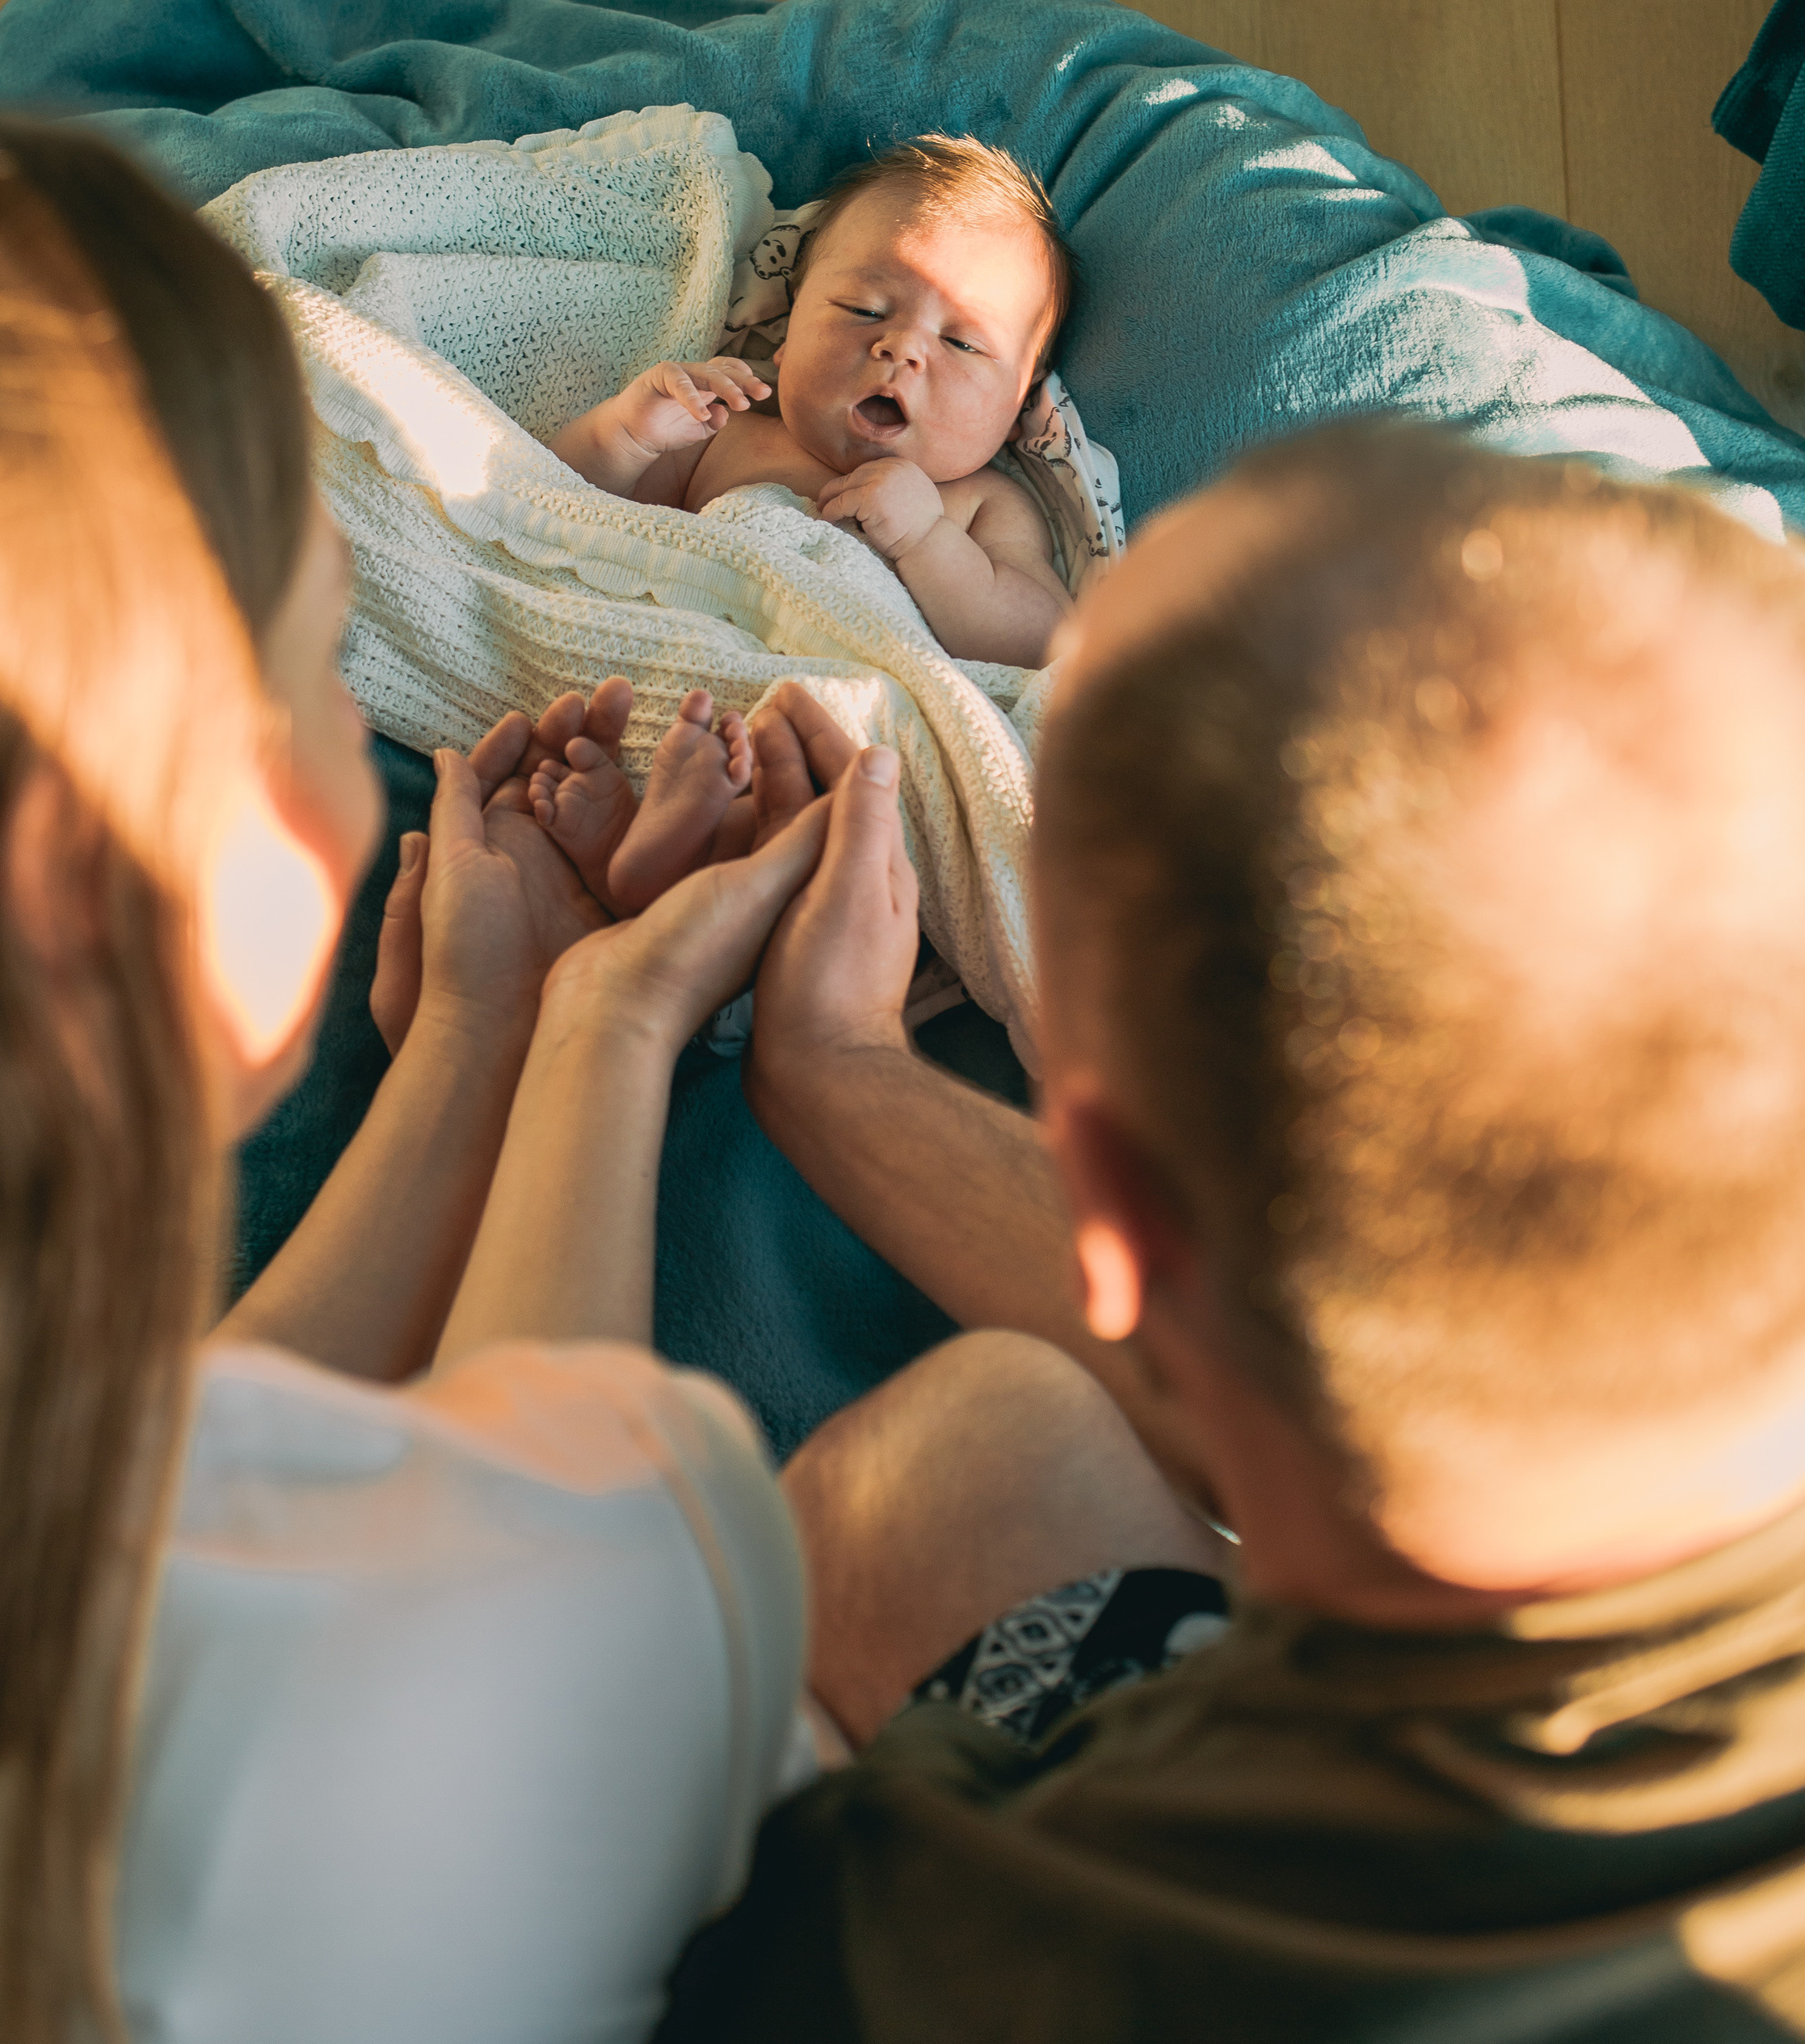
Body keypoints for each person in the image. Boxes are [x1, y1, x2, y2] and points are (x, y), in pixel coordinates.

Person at [0, 110, 852, 2044]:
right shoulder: (553, 1601)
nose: (355, 731)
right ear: (105, 884)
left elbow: (173, 1466)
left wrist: (483, 1029)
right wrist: (617, 1018)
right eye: (319, 659)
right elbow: (520, 1520)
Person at [655, 423, 1805, 2040]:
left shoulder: (944, 1932)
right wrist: (839, 1068)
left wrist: (566, 1028)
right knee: (976, 1458)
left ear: (1114, 1219)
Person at [538, 136, 1078, 911]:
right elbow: (564, 512)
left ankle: (681, 859)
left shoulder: (978, 504)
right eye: (864, 310)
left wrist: (926, 541)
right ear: (788, 331)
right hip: (694, 686)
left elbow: (1038, 646)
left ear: (1022, 403)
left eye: (963, 342)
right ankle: (655, 841)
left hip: (851, 738)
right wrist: (628, 435)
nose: (900, 347)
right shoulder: (729, 432)